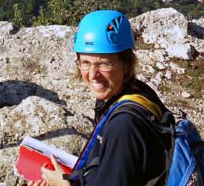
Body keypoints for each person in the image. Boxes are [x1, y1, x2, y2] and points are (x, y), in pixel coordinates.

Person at [30, 10, 170, 186]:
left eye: (104, 64)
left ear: (126, 64)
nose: (93, 74)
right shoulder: (135, 94)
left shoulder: (124, 125)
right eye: (85, 63)